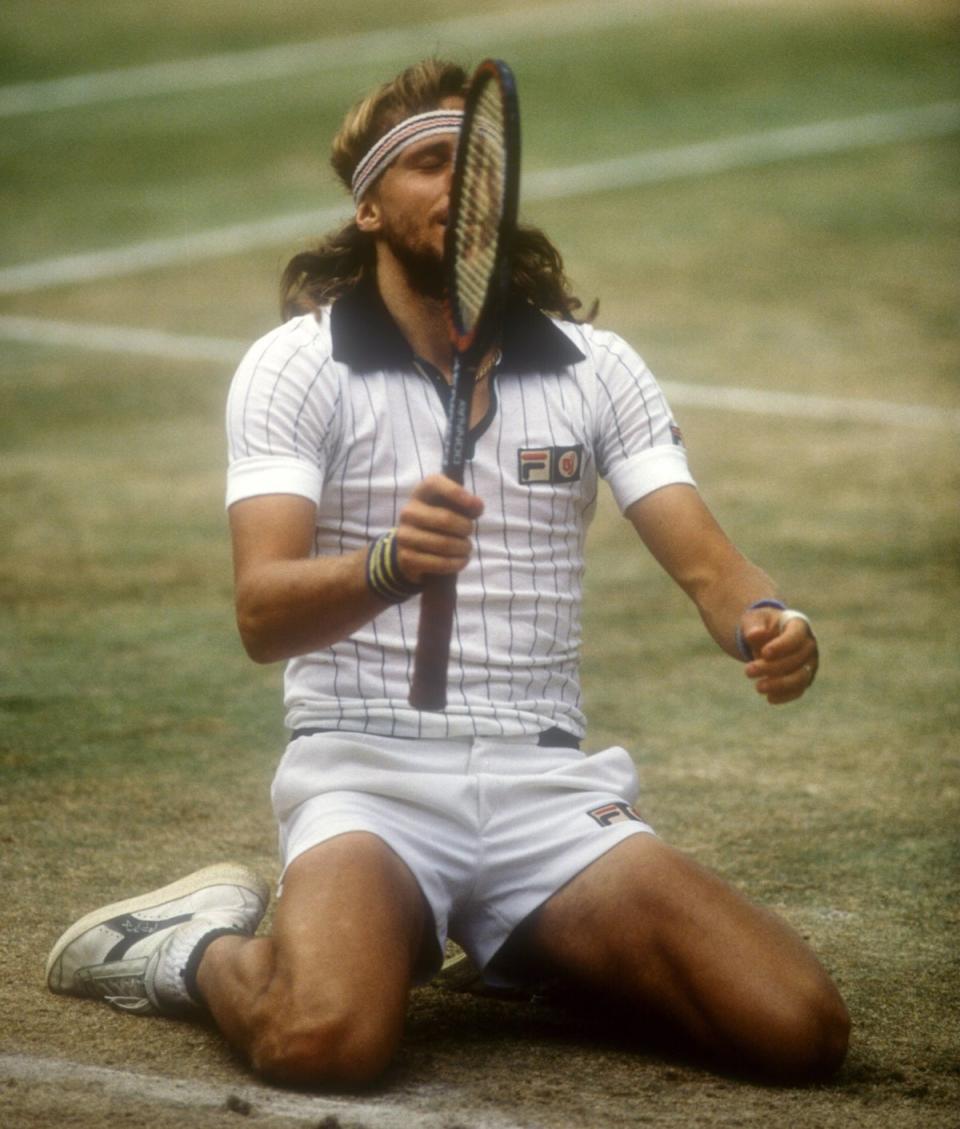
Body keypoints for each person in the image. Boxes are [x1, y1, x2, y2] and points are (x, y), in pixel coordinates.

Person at [46, 59, 849, 1087]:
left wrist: (771, 619)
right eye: (432, 164)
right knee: (323, 1040)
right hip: (365, 780)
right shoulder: (295, 367)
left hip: (546, 788)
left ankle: (530, 944)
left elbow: (713, 569)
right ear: (370, 205)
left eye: (480, 168)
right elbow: (262, 614)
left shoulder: (600, 368)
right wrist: (386, 565)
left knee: (797, 1029)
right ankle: (189, 946)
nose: (464, 188)